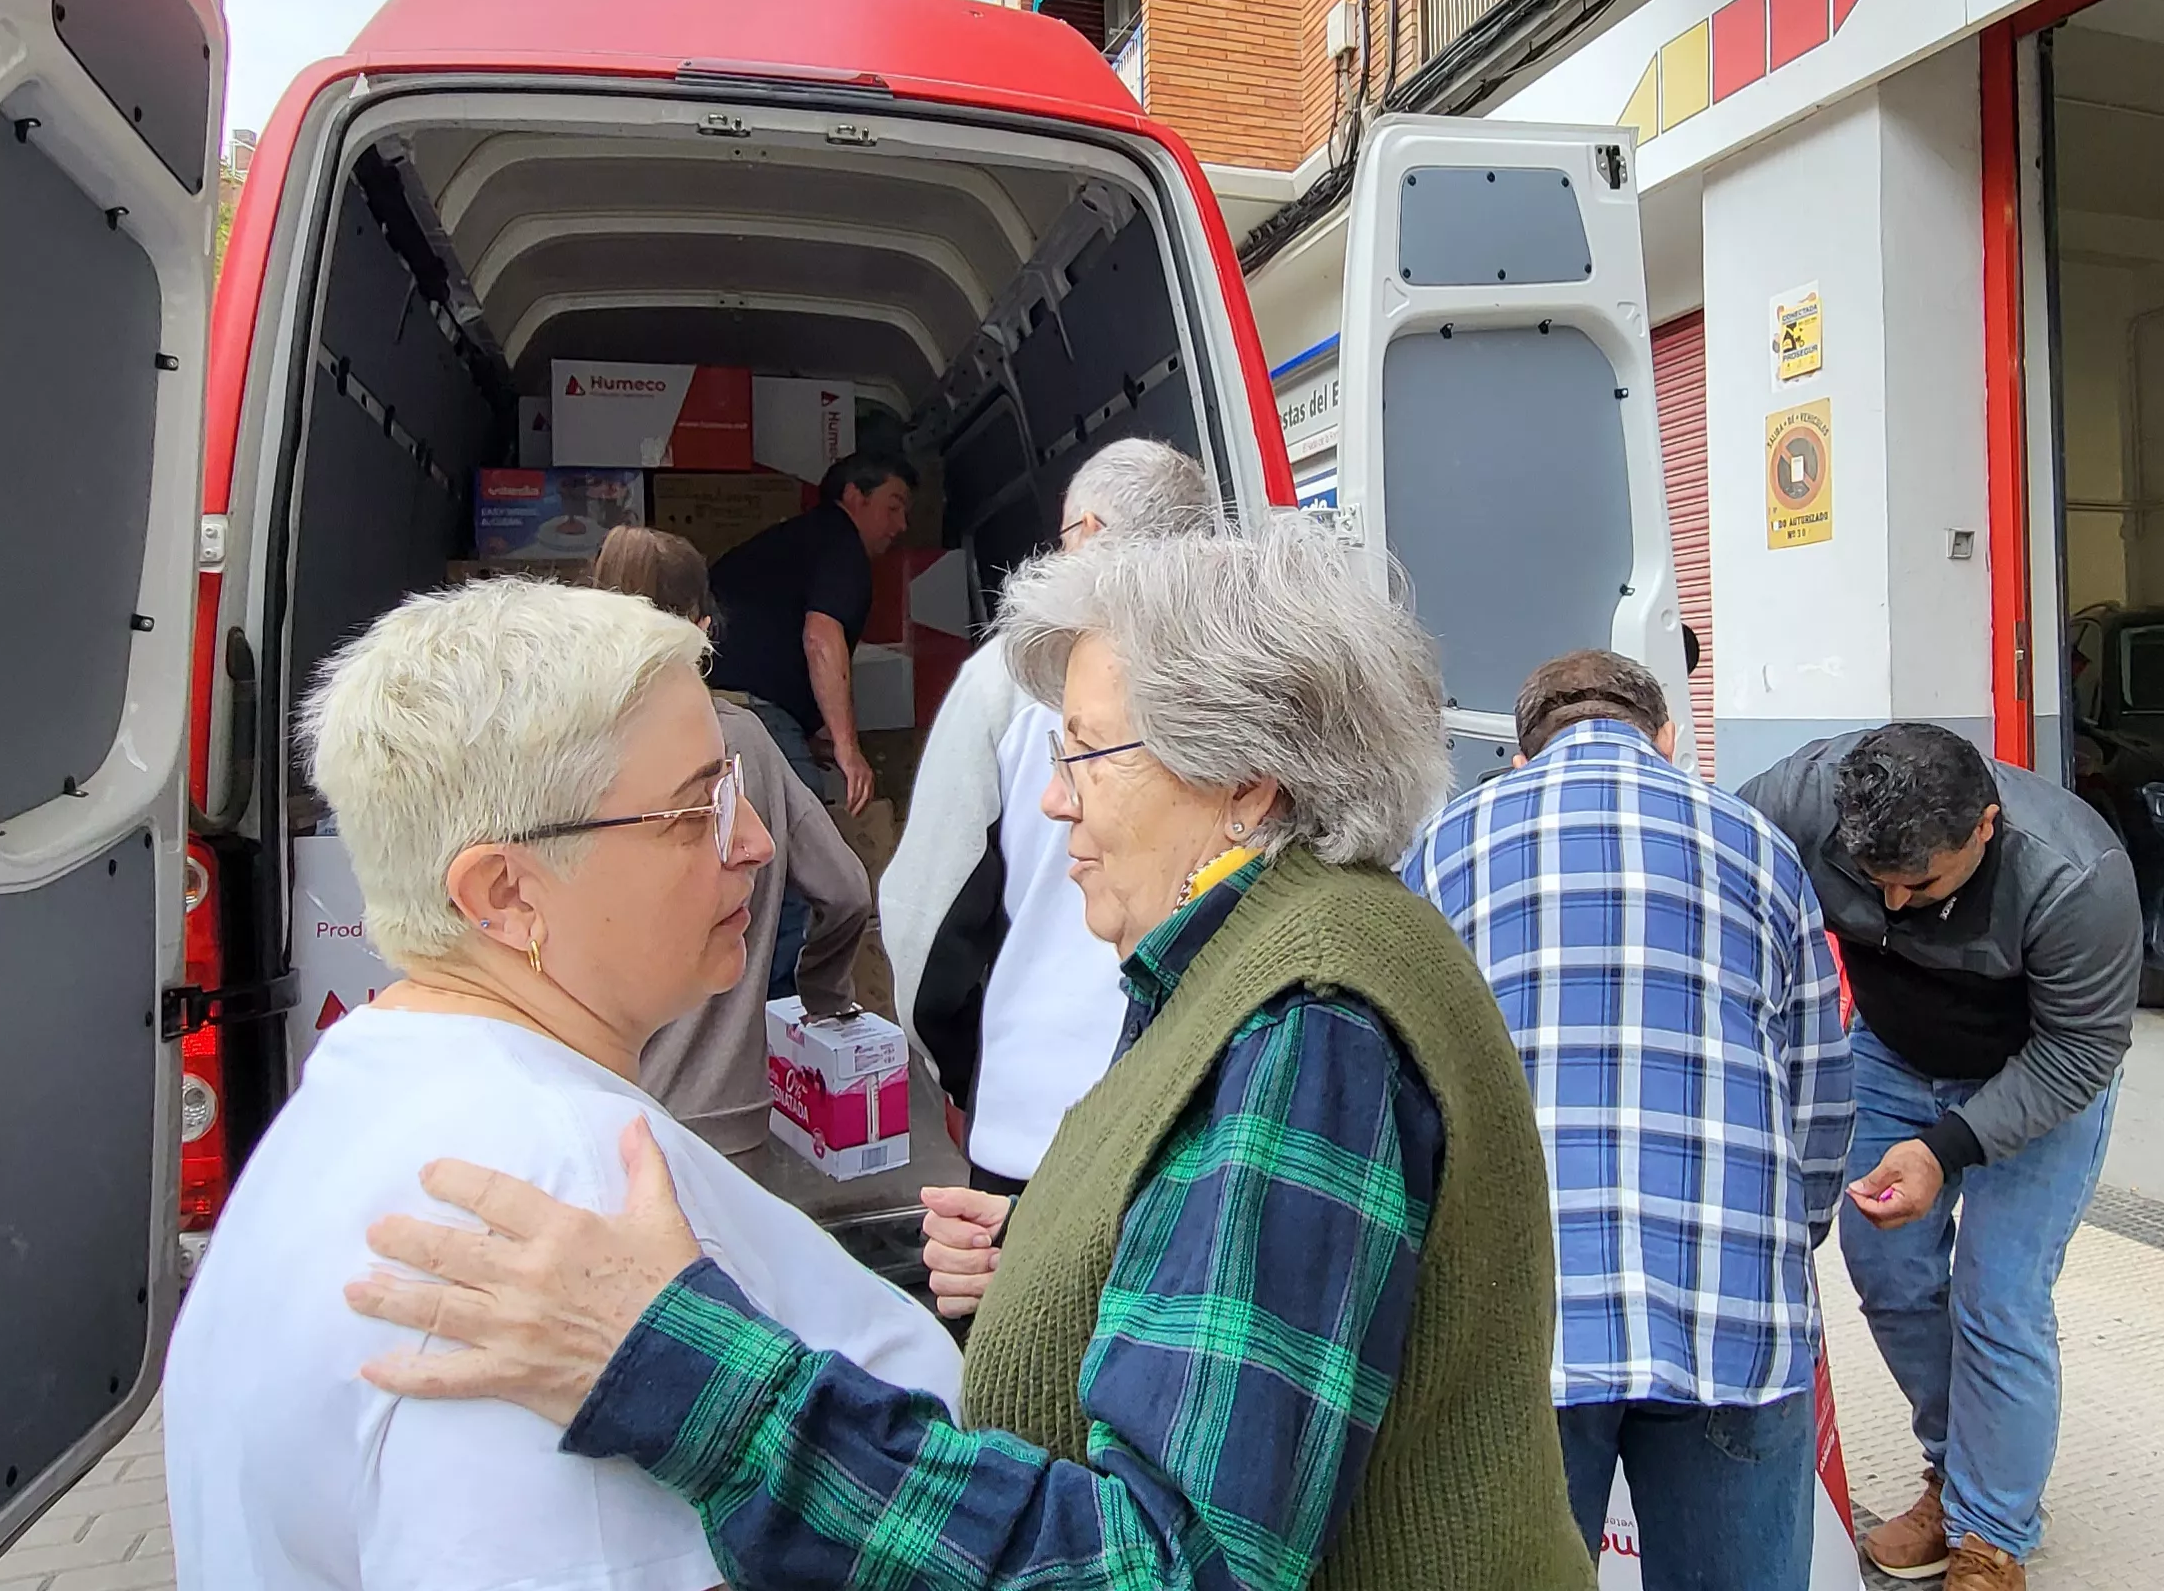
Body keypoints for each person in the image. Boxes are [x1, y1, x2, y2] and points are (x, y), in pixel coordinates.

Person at [337, 518, 1596, 1591]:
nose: (1055, 802)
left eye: (1085, 753)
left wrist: (697, 1380)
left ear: (1248, 780)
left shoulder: (1308, 1023)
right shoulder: (1256, 955)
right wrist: (1066, 1260)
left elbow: (1166, 1564)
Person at [161, 578, 958, 1590]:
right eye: (697, 808)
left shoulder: (363, 1094)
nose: (754, 841)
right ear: (505, 893)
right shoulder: (564, 1204)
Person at [1406, 650, 1851, 1589]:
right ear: (1667, 740)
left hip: (1521, 1319)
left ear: (1524, 755)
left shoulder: (1448, 844)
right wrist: (1787, 1235)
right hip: (1734, 1309)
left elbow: (1402, 1078)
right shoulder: (1758, 845)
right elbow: (1818, 1087)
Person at [1739, 723, 2141, 1591]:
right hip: (1891, 1053)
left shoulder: (2077, 879)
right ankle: (1956, 1476)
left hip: (2035, 1069)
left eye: (1917, 883)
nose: (1889, 906)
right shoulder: (1799, 798)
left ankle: (1991, 1536)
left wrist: (1946, 1148)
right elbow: (1718, 877)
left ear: (1985, 828)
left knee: (1998, 1295)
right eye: (1870, 880)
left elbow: (2080, 1052)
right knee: (1885, 1268)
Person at [889, 437, 1221, 1198]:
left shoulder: (1010, 677)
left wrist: (961, 1078)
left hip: (1038, 1123)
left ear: (1093, 537)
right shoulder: (1249, 672)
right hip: (1205, 1122)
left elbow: (925, 916)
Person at [587, 526, 875, 1154]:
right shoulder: (742, 741)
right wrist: (823, 996)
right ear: (703, 625)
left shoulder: (557, 749)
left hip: (591, 1114)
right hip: (725, 1116)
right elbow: (846, 890)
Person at [708, 450, 915, 816]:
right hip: (751, 707)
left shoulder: (803, 540)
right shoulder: (841, 545)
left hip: (713, 703)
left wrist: (810, 735)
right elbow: (820, 637)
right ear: (854, 495)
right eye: (893, 507)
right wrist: (846, 748)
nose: (901, 526)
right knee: (807, 836)